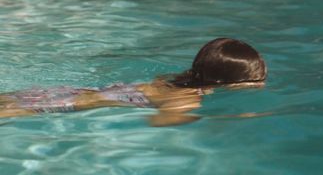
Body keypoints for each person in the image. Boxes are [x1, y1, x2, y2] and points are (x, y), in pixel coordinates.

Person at [0, 38, 267, 126]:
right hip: (71, 103)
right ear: (224, 81)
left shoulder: (175, 81)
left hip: (66, 92)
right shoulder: (185, 98)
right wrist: (209, 118)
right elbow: (160, 122)